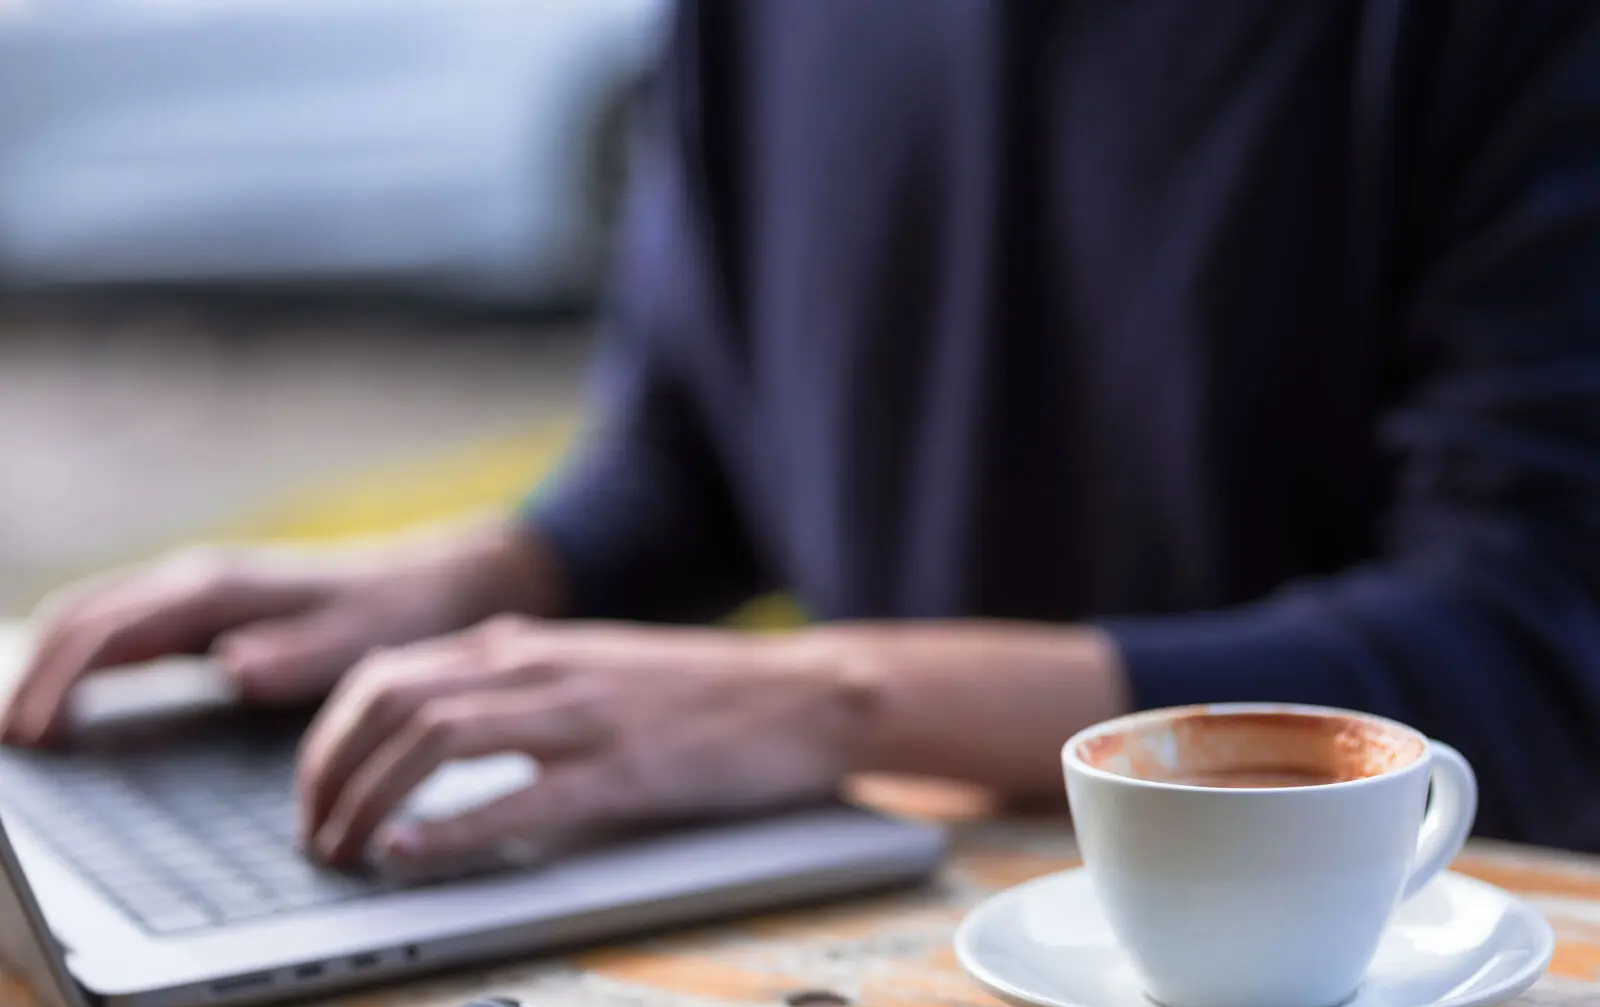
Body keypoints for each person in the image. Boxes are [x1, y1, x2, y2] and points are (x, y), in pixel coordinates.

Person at [6, 0, 1600, 865]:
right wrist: (481, 578)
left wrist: (830, 701)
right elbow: (702, 461)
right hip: (883, 974)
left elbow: (1532, 647)